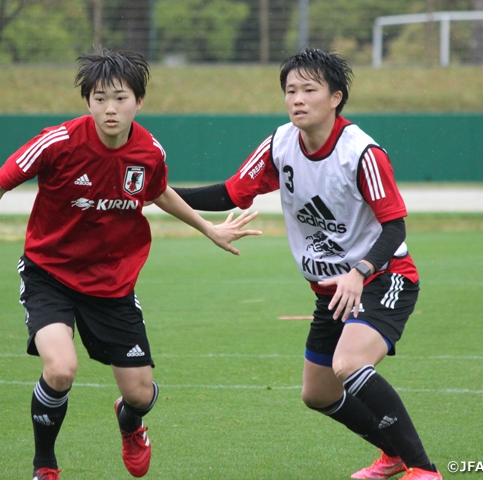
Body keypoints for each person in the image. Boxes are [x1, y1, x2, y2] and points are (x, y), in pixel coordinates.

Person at [0, 48, 260, 480]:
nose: (111, 108)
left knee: (141, 394)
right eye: (101, 98)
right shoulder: (58, 142)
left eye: (121, 98)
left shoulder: (149, 151)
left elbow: (159, 192)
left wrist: (209, 228)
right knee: (60, 368)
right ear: (87, 101)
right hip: (49, 274)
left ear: (139, 102)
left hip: (112, 283)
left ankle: (130, 424)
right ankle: (45, 467)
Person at [172, 48, 442, 480]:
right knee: (317, 394)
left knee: (350, 365)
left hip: (384, 278)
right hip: (331, 293)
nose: (296, 99)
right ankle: (391, 453)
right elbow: (229, 193)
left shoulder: (361, 153)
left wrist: (360, 272)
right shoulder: (281, 143)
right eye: (290, 90)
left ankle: (424, 471)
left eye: (308, 90)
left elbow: (395, 226)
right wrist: (155, 191)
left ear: (335, 97)